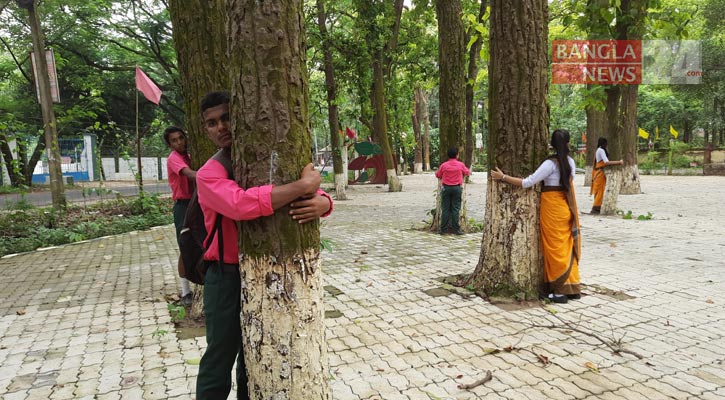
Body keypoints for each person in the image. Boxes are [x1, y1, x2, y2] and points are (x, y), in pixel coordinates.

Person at [195, 91, 333, 400]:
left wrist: (323, 202)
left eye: (227, 118)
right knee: (220, 355)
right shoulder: (209, 174)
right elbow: (241, 205)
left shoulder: (269, 154)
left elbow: (301, 201)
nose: (221, 128)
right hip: (225, 274)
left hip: (260, 274)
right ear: (205, 129)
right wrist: (302, 186)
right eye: (212, 123)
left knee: (253, 354)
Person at [490, 129, 581, 304]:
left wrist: (503, 177)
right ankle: (572, 286)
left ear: (552, 144)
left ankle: (560, 292)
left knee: (553, 249)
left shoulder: (550, 164)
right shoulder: (570, 162)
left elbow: (527, 182)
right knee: (566, 246)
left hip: (552, 209)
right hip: (565, 208)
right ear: (568, 143)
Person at [164, 126, 196, 306]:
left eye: (181, 138)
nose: (179, 142)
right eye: (174, 140)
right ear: (170, 145)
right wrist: (212, 178)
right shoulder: (174, 159)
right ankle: (185, 291)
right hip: (183, 206)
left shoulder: (189, 156)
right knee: (185, 245)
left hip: (195, 203)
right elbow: (189, 174)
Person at [435, 147, 471, 235]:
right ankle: (456, 230)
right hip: (457, 188)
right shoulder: (460, 165)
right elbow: (467, 172)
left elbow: (438, 174)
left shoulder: (444, 165)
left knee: (446, 209)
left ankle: (443, 229)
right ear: (457, 155)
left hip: (446, 189)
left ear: (448, 155)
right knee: (455, 209)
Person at [590, 137, 624, 214]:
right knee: (600, 190)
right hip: (600, 172)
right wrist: (619, 162)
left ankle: (597, 206)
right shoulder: (601, 150)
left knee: (600, 190)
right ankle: (596, 208)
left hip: (600, 172)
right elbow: (606, 162)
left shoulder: (599, 150)